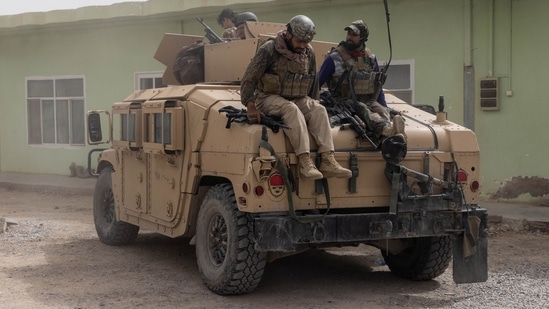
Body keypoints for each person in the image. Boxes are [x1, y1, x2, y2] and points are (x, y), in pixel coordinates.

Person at [240, 15, 352, 180]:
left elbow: (313, 81)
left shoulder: (308, 52)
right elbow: (249, 77)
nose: (302, 46)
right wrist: (250, 105)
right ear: (289, 34)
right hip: (268, 97)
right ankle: (304, 161)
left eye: (305, 42)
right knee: (290, 109)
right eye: (299, 41)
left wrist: (313, 103)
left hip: (297, 97)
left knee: (319, 110)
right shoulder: (270, 49)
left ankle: (328, 160)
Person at [318, 20, 405, 141]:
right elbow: (317, 83)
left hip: (368, 99)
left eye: (354, 34)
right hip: (343, 101)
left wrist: (384, 106)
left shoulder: (370, 58)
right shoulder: (334, 58)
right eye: (348, 33)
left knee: (382, 111)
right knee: (363, 109)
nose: (349, 37)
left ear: (363, 37)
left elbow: (377, 87)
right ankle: (386, 130)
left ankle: (390, 134)